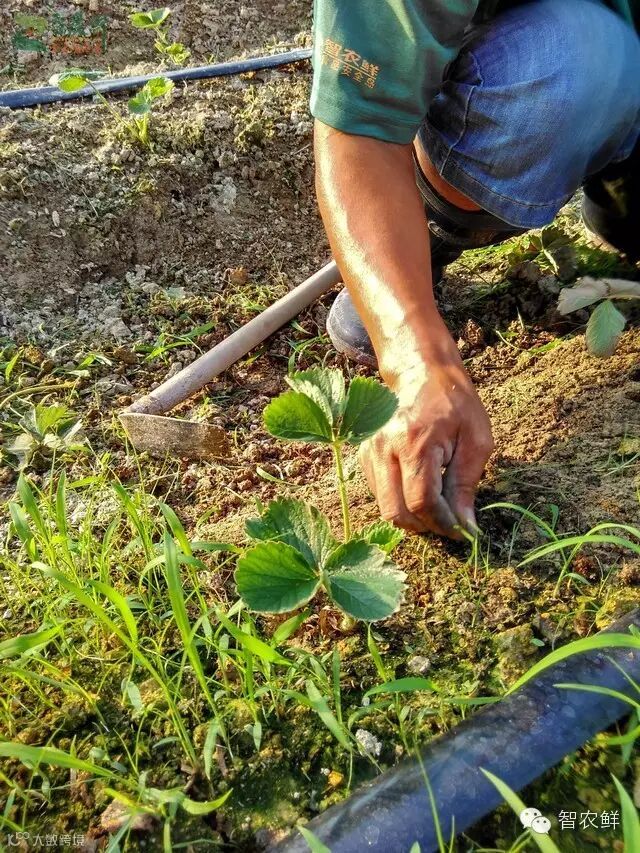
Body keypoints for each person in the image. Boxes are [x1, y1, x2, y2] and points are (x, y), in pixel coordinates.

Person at [310, 0, 640, 539]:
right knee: (563, 66)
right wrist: (415, 360)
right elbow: (360, 131)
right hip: (573, 65)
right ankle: (427, 239)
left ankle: (620, 197)